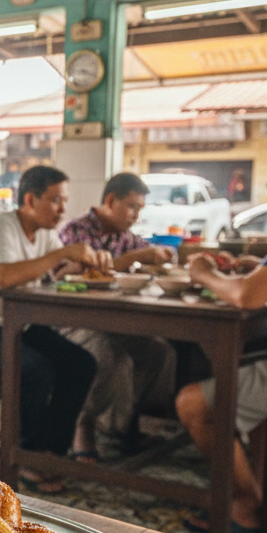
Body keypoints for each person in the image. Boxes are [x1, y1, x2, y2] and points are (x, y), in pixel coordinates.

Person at [177, 149, 267, 533]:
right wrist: (257, 270)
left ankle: (246, 505)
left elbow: (247, 297)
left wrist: (202, 271)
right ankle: (261, 491)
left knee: (194, 404)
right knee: (248, 369)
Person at [0, 165, 101, 494]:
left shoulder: (45, 233)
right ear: (30, 200)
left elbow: (51, 273)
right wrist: (62, 253)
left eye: (64, 201)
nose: (62, 209)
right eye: (55, 200)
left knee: (81, 363)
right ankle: (25, 455)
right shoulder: (0, 224)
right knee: (35, 369)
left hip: (20, 325)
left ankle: (50, 453)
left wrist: (79, 264)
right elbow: (4, 277)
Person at [59, 172, 176, 458]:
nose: (136, 215)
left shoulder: (127, 237)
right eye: (132, 207)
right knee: (111, 356)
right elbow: (83, 274)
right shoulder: (76, 231)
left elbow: (146, 257)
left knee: (159, 352)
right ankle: (83, 425)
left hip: (113, 321)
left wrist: (161, 256)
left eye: (140, 209)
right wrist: (134, 259)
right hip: (70, 320)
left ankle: (121, 424)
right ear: (111, 200)